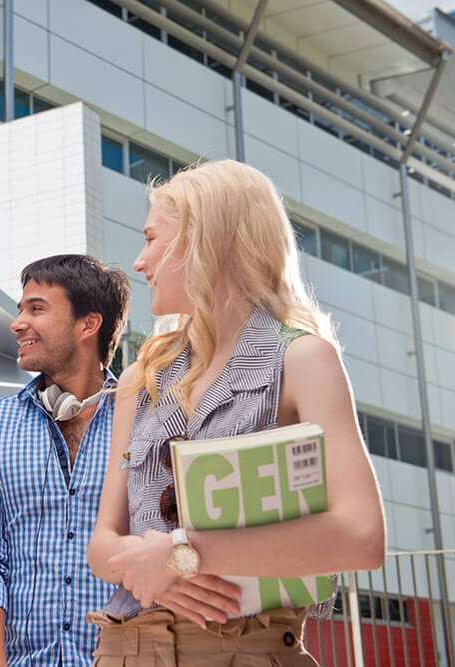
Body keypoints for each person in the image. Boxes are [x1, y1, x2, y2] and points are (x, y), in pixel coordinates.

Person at [86, 159, 386, 666]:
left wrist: (184, 554)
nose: (139, 262)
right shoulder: (142, 376)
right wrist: (157, 575)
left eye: (153, 239)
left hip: (245, 650)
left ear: (205, 240)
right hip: (125, 649)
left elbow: (363, 537)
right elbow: (102, 544)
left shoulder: (303, 359)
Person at [0, 254, 131, 666]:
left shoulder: (146, 418)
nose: (18, 323)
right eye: (20, 310)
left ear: (88, 324)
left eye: (36, 308)